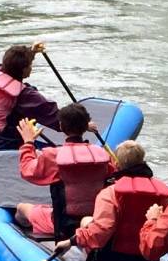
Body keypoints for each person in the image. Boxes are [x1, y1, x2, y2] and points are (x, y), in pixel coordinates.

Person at [74, 141, 168, 261]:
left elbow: (101, 232)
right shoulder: (160, 194)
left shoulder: (109, 193)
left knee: (88, 221)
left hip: (109, 257)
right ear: (143, 161)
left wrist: (74, 239)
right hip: (142, 259)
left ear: (116, 164)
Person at [13, 102, 113, 240]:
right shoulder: (102, 155)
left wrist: (28, 143)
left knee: (22, 208)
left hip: (63, 225)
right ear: (86, 127)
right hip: (96, 220)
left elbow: (27, 170)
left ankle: (19, 236)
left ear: (61, 126)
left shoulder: (54, 155)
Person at [0, 43, 62, 151]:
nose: (31, 68)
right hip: (6, 142)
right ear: (24, 70)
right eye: (30, 65)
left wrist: (31, 52)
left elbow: (11, 63)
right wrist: (83, 124)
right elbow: (54, 116)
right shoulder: (25, 95)